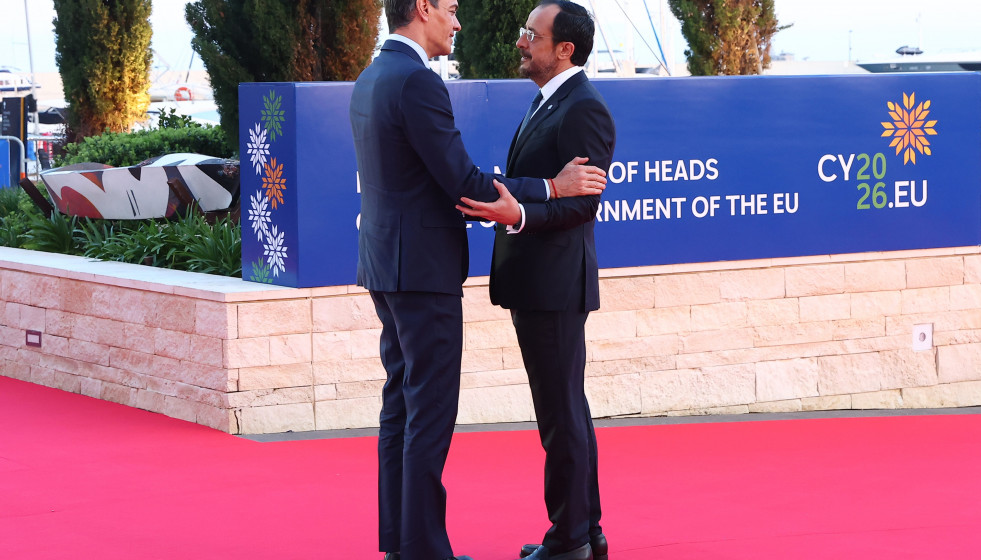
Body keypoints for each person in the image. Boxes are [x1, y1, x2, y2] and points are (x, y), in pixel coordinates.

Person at [348, 1, 609, 559]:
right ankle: (423, 550)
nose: (458, 21)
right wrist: (551, 189)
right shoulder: (416, 82)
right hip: (420, 273)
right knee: (426, 413)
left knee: (403, 407)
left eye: (531, 33)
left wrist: (542, 199)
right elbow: (463, 181)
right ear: (422, 8)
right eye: (450, 8)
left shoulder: (374, 76)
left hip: (391, 267)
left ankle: (408, 545)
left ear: (565, 47)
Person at [456, 2, 616, 560]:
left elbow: (580, 208)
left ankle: (568, 540)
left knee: (559, 417)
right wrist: (525, 194)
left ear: (565, 49)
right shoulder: (547, 101)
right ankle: (585, 534)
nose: (522, 42)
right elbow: (554, 187)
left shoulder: (583, 109)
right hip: (538, 283)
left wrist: (517, 213)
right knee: (567, 410)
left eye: (533, 34)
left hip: (554, 284)